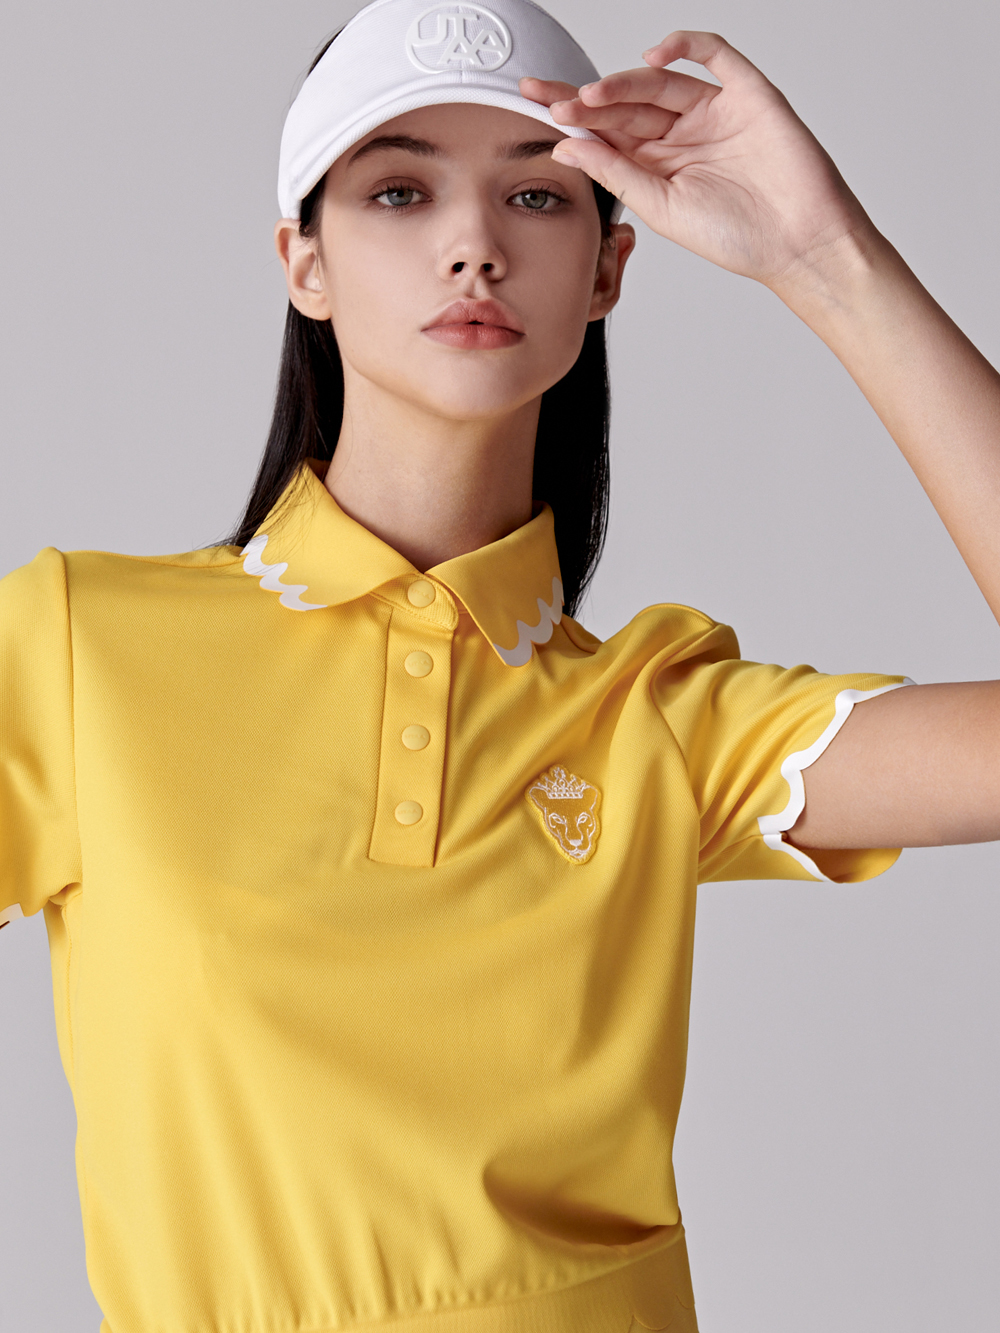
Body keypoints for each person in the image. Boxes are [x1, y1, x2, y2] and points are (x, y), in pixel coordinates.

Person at [2, 0, 998, 1329]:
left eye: (536, 195)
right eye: (399, 191)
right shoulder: (80, 647)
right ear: (304, 261)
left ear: (608, 269)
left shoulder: (658, 716)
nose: (474, 244)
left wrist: (830, 264)